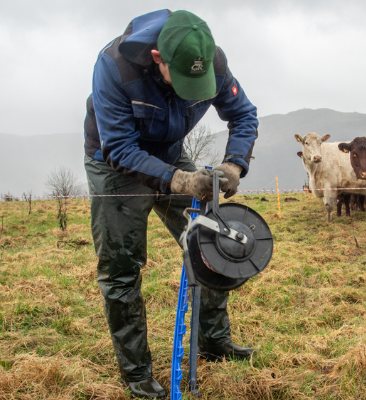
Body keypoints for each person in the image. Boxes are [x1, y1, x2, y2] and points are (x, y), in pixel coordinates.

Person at [82, 9, 259, 399]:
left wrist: (235, 163)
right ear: (158, 58)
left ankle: (214, 340)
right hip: (116, 163)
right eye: (181, 82)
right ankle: (137, 373)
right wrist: (176, 179)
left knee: (211, 243)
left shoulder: (212, 61)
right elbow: (119, 148)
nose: (189, 93)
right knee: (122, 267)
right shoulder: (114, 67)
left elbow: (243, 113)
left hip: (170, 153)